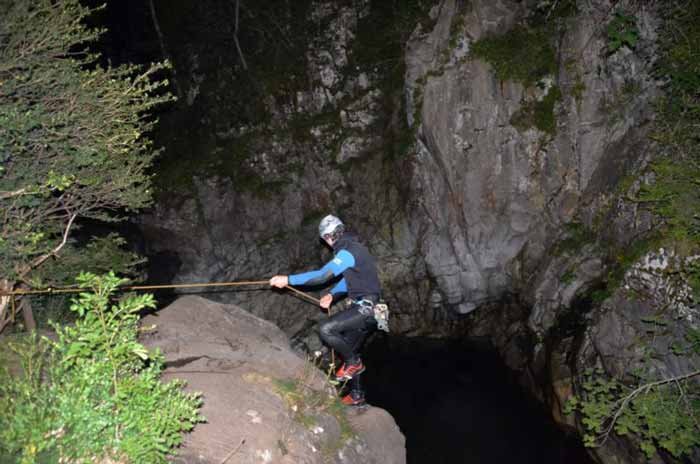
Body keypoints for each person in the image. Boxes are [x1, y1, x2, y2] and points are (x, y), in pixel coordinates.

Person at [270, 214, 381, 406]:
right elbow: (351, 279)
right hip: (366, 309)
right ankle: (357, 395)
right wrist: (333, 295)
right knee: (351, 350)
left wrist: (288, 280)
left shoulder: (347, 251)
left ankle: (353, 363)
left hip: (366, 308)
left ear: (329, 237)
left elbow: (322, 275)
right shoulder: (354, 248)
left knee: (326, 330)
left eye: (325, 240)